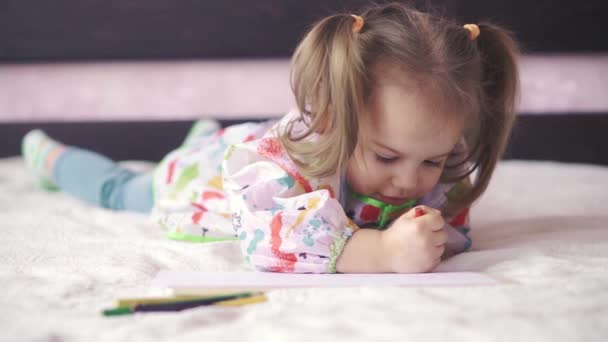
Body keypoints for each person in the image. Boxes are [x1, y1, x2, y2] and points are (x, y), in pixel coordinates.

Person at [21, 2, 520, 274]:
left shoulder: (436, 149)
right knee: (127, 190)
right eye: (386, 155)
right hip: (213, 176)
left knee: (209, 140)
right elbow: (271, 242)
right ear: (330, 116)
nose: (410, 180)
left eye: (431, 160)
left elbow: (450, 225)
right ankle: (52, 157)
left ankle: (204, 131)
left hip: (244, 141)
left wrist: (429, 237)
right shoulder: (280, 168)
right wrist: (382, 253)